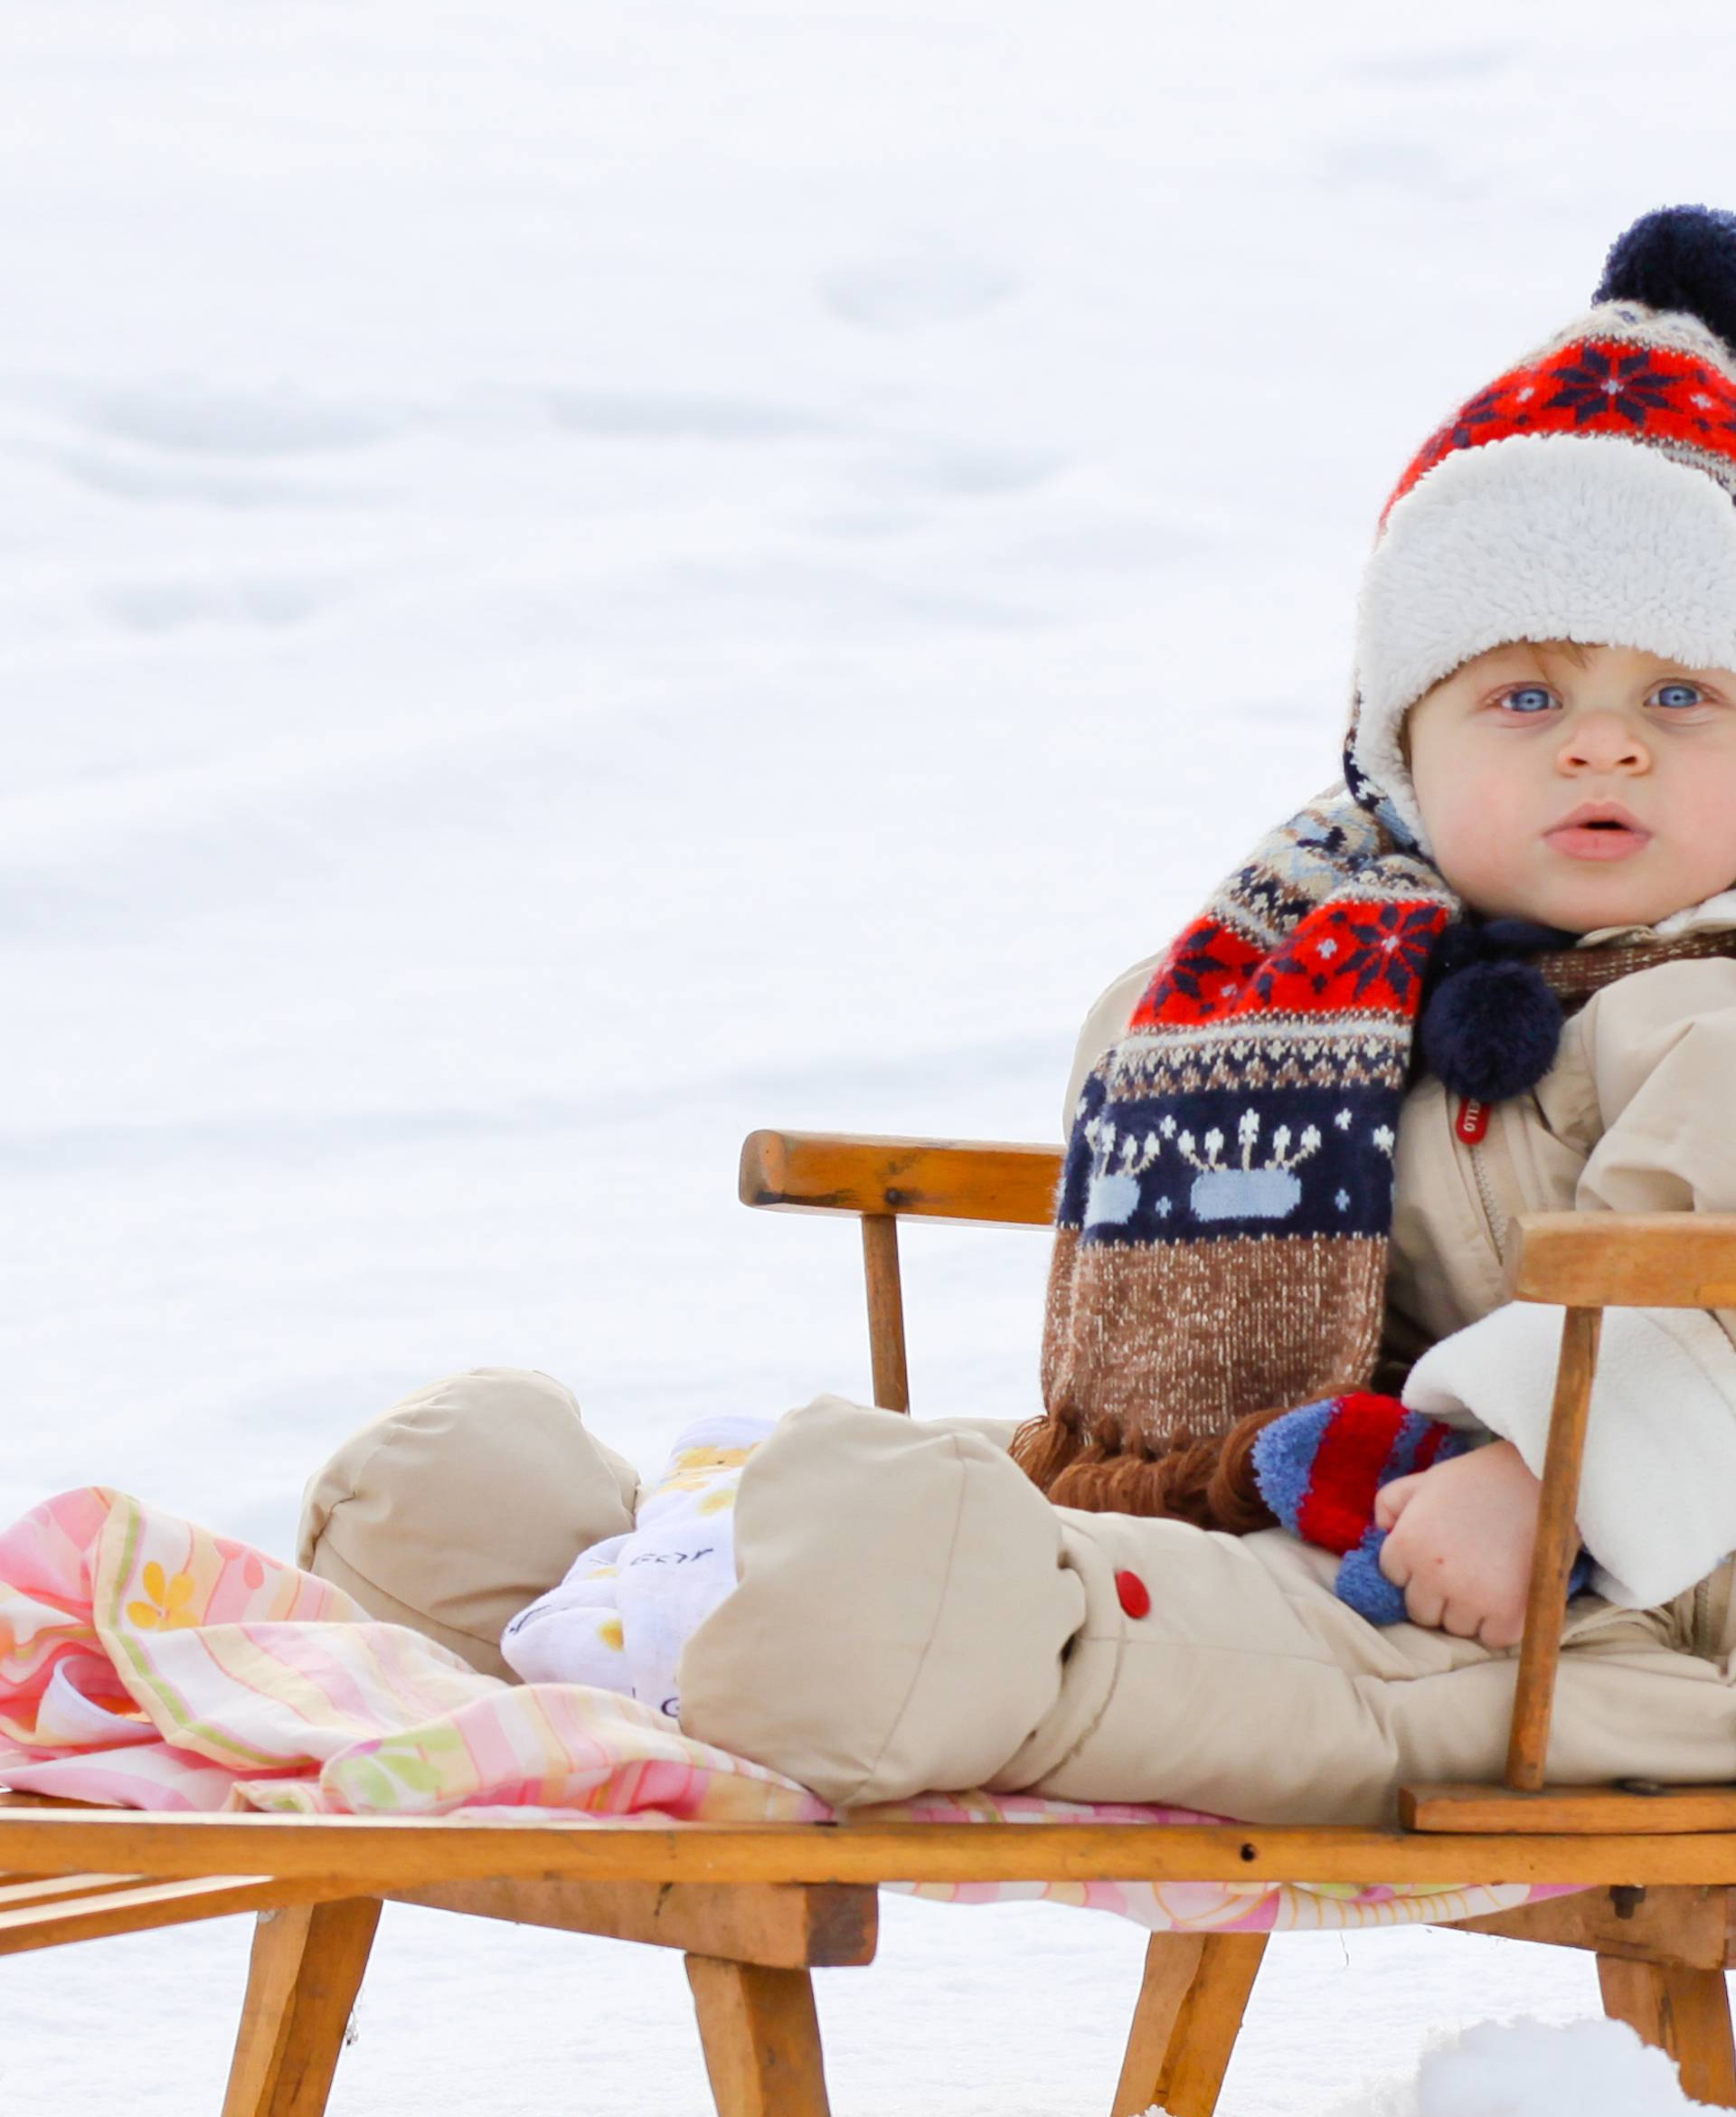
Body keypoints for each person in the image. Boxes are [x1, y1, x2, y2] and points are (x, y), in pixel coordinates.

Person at [297, 203, 1736, 1824]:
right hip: (1304, 1498)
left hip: (1605, 1604)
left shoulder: (1718, 1024)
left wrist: (1547, 1483)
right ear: (1401, 749)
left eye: (1682, 697)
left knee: (1071, 1598)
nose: (1606, 746)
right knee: (995, 1508)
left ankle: (880, 1624)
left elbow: (1711, 1310)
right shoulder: (1306, 971)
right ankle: (567, 1572)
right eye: (1526, 696)